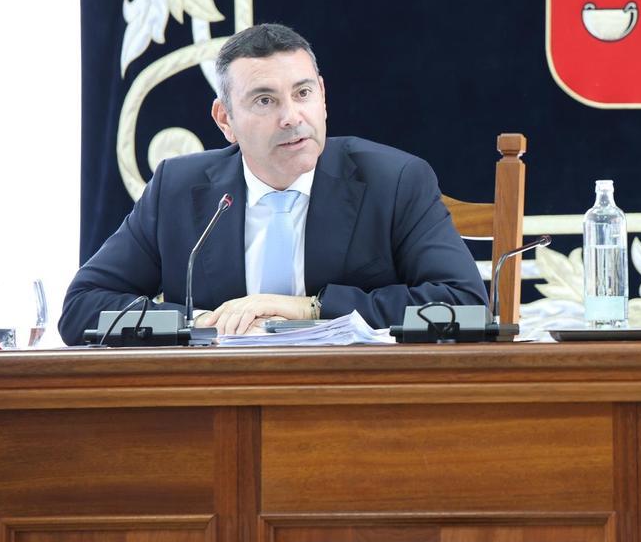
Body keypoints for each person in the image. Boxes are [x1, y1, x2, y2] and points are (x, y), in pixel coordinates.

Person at [59, 23, 487, 344]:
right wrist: (196, 322)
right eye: (265, 100)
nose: (290, 117)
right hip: (218, 402)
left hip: (353, 402)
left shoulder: (393, 180)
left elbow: (466, 307)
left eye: (302, 94)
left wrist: (312, 309)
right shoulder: (178, 188)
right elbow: (82, 307)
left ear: (322, 96)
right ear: (225, 119)